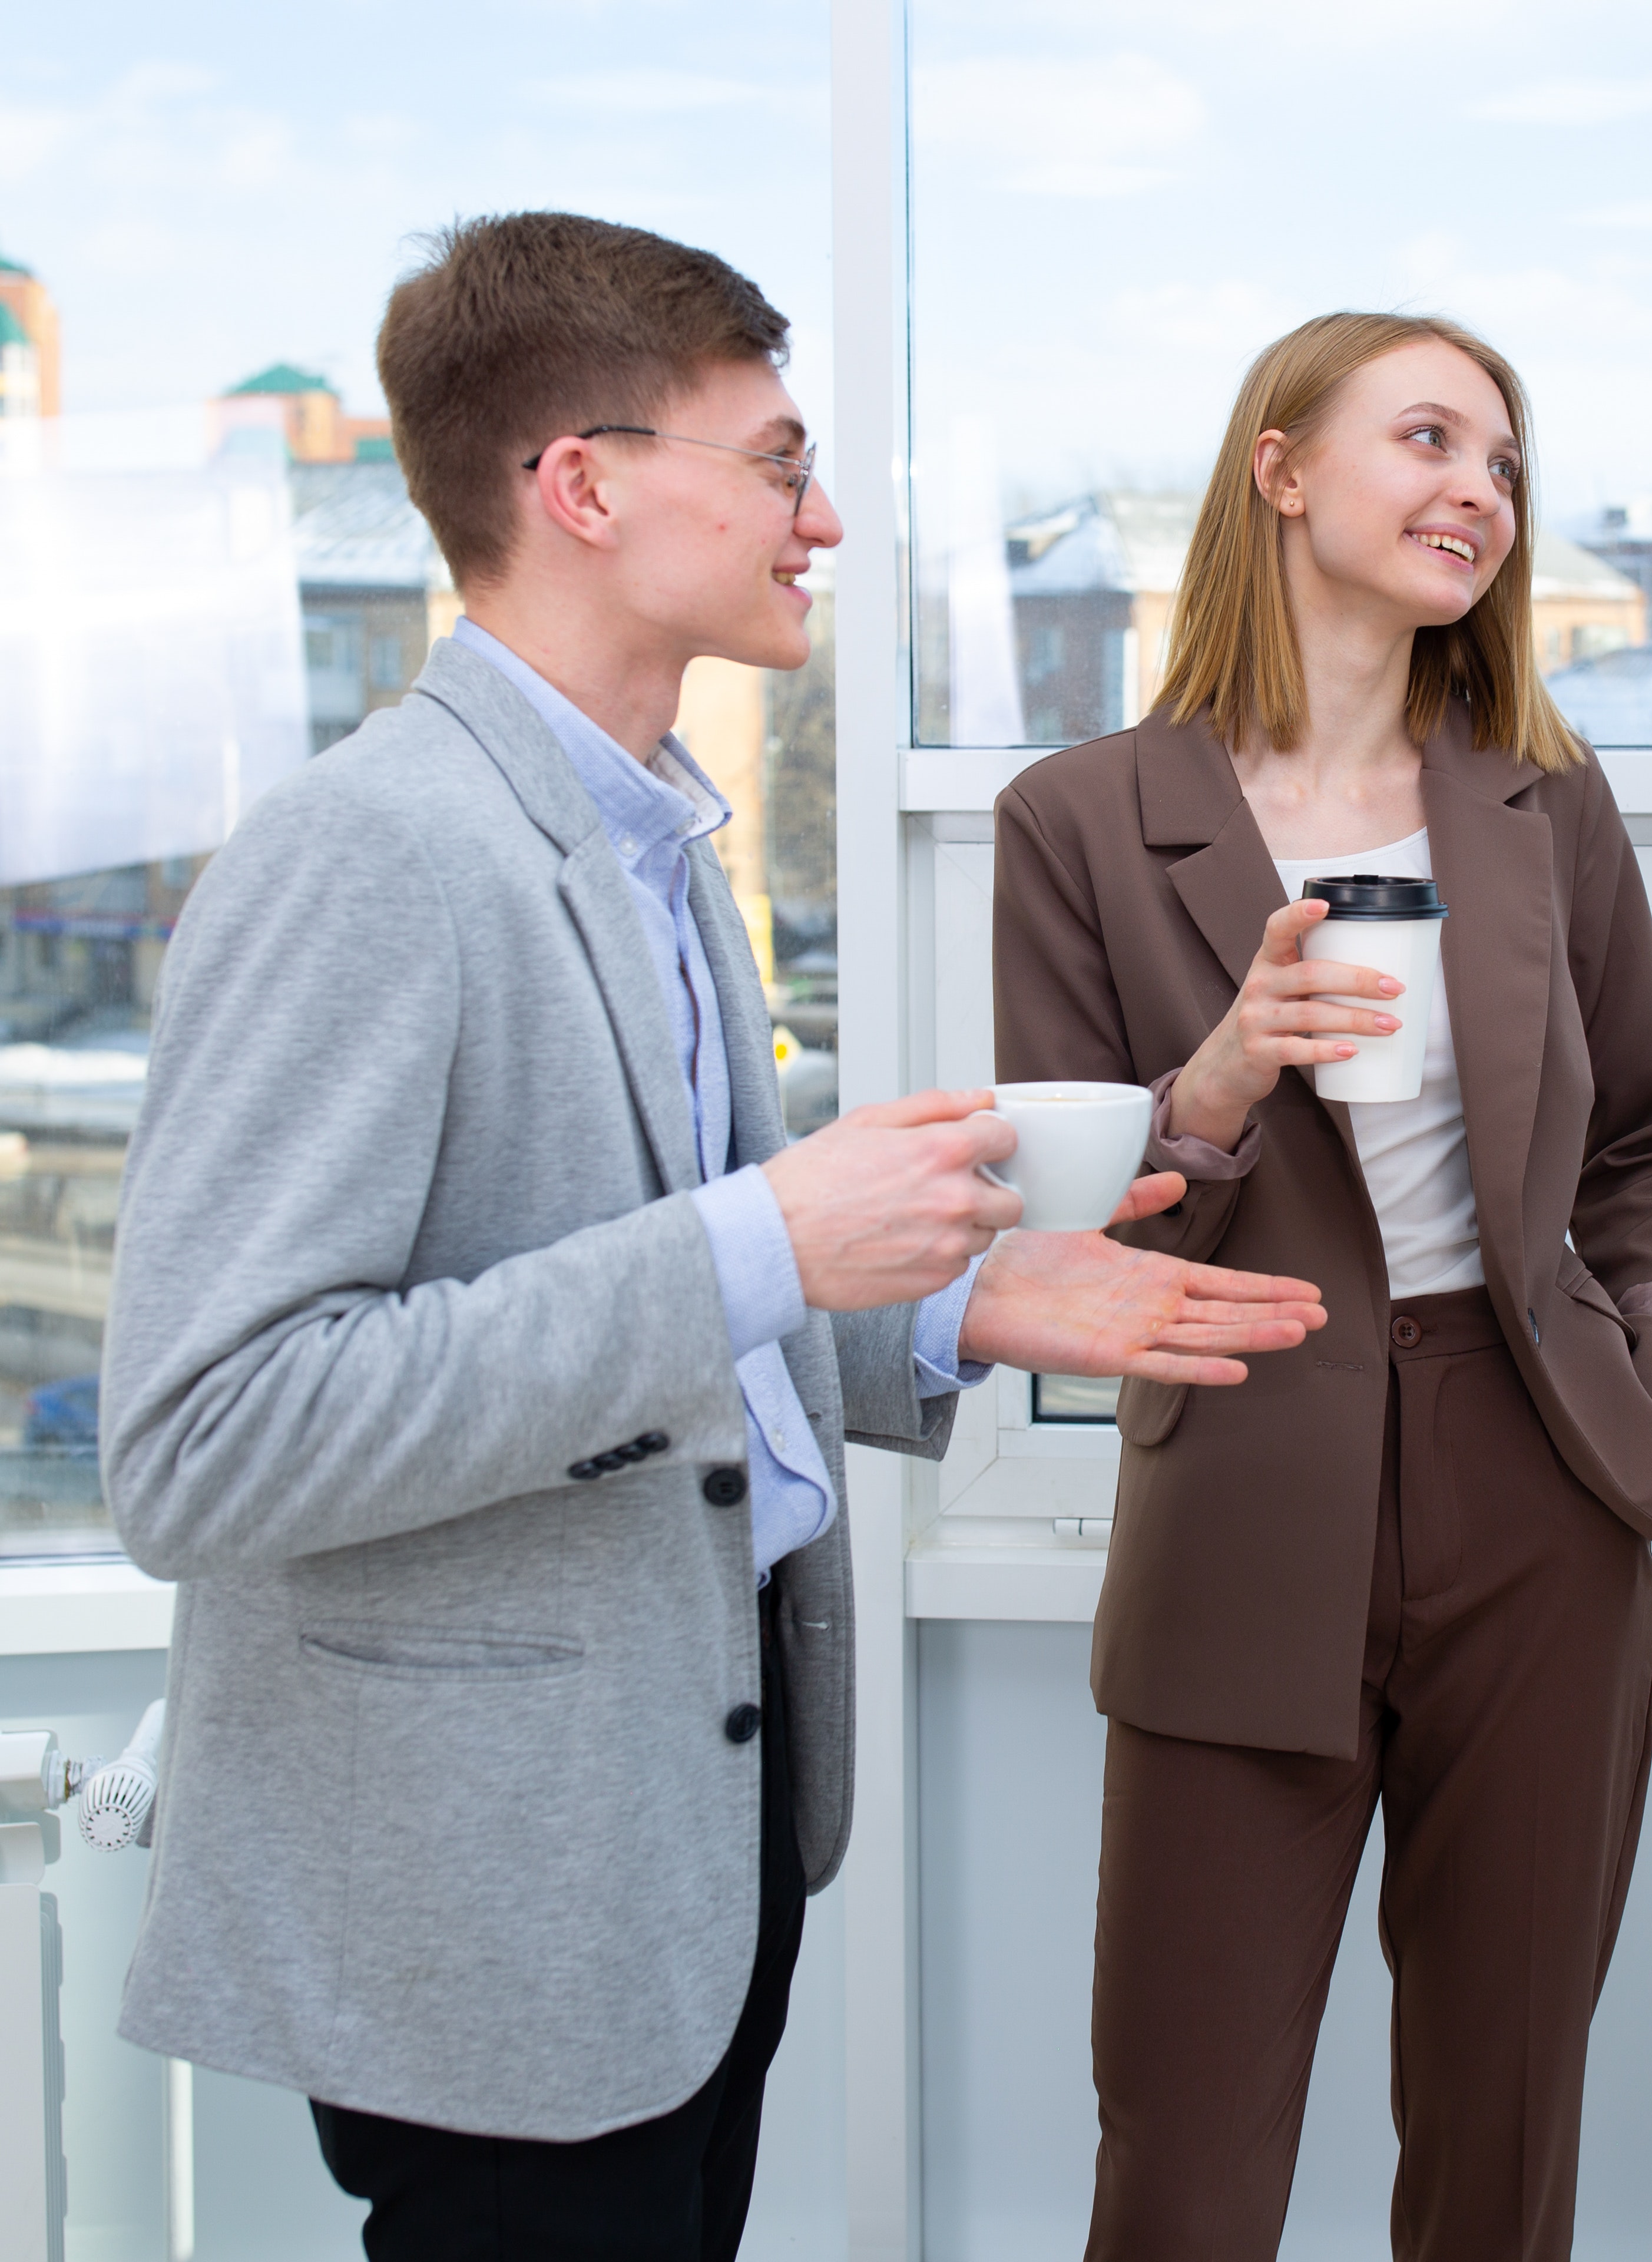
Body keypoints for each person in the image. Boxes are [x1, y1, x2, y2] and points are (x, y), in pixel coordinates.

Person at [98, 211, 1325, 2262]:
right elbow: (209, 1442)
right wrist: (763, 1237)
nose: (823, 514)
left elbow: (654, 1335)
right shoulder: (372, 856)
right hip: (492, 1884)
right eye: (773, 460)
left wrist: (945, 1306)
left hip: (684, 1827)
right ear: (580, 486)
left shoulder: (647, 838)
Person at [991, 311, 1652, 2260]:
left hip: (1540, 1494)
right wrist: (1223, 1079)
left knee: (1502, 2129)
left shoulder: (1542, 804)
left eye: (1503, 462)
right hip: (1242, 1478)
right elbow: (1068, 1239)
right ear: (1278, 468)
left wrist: (1649, 1354)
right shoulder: (1080, 819)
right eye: (1427, 439)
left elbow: (1651, 1138)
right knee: (1182, 2136)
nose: (1477, 495)